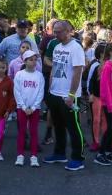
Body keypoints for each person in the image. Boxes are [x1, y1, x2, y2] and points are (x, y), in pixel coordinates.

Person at [43, 20, 86, 171]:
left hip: (68, 95)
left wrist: (71, 95)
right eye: (54, 31)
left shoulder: (76, 48)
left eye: (59, 31)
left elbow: (78, 71)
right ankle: (59, 153)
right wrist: (50, 88)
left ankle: (78, 158)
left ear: (68, 31)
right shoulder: (57, 46)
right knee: (58, 125)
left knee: (74, 127)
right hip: (55, 93)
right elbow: (54, 67)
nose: (55, 34)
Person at [13, 50, 44, 167]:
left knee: (33, 131)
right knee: (22, 131)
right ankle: (20, 155)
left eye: (35, 59)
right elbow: (17, 92)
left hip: (34, 109)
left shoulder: (39, 76)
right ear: (25, 61)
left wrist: (34, 106)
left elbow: (40, 92)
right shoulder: (19, 75)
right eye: (31, 59)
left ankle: (34, 156)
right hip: (22, 108)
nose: (34, 62)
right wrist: (24, 106)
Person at [86, 45, 106, 153]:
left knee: (105, 120)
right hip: (97, 96)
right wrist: (91, 93)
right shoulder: (95, 65)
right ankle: (96, 141)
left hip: (106, 97)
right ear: (100, 54)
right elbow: (90, 80)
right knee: (96, 119)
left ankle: (106, 141)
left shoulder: (109, 65)